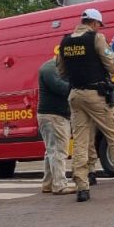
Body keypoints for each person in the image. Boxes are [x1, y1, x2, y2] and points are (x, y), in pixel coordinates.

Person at [57, 8, 114, 203]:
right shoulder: (96, 38)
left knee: (81, 141)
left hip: (75, 95)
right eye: (99, 24)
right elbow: (112, 65)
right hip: (96, 94)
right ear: (94, 23)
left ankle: (82, 188)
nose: (99, 27)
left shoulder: (65, 41)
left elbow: (61, 71)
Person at [36, 55, 77, 195]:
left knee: (51, 151)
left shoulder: (57, 68)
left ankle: (48, 183)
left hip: (52, 115)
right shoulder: (49, 68)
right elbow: (61, 88)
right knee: (59, 151)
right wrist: (76, 83)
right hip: (53, 116)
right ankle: (60, 185)